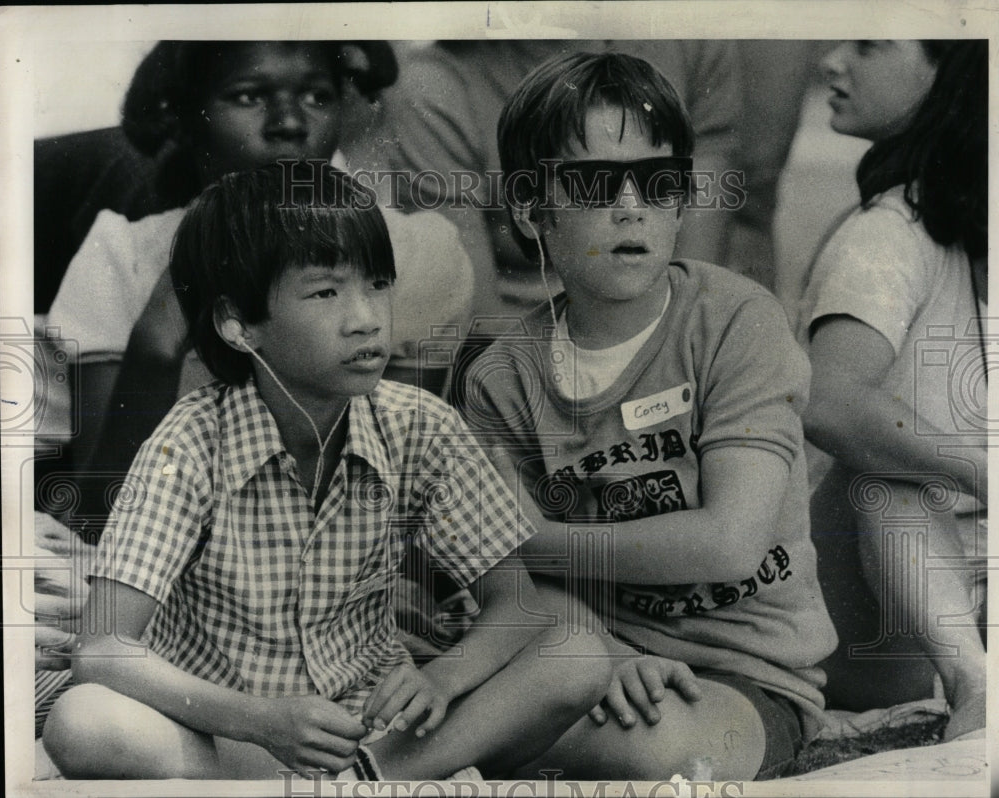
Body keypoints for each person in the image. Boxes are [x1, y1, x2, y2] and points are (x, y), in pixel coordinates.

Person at [41, 164, 609, 780]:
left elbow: (515, 601)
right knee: (83, 721)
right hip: (227, 733)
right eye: (325, 292)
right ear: (240, 324)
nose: (366, 318)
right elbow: (102, 648)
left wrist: (442, 678)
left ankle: (368, 779)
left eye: (378, 284)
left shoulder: (420, 425)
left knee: (575, 654)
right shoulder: (189, 442)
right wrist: (262, 720)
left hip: (371, 735)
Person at [457, 52, 837, 781]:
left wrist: (531, 540)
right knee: (475, 681)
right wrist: (611, 656)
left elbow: (728, 544)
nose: (632, 205)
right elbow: (520, 588)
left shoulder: (735, 321)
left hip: (744, 675)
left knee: (664, 749)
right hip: (587, 657)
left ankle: (455, 749)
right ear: (533, 209)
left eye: (659, 183)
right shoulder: (500, 378)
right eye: (599, 183)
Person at [43, 41, 473, 521]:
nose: (289, 123)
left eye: (317, 97)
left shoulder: (412, 255)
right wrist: (154, 350)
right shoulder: (121, 259)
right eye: (249, 97)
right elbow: (96, 522)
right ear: (189, 117)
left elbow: (388, 506)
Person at [799, 40, 987, 740]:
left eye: (869, 45)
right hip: (883, 609)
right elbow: (831, 402)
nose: (832, 62)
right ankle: (976, 689)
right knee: (885, 473)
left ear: (953, 69)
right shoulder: (889, 231)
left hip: (975, 583)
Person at [375, 40, 742, 324]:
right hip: (521, 347)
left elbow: (694, 291)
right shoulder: (432, 86)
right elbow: (477, 322)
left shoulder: (687, 40)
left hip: (659, 332)